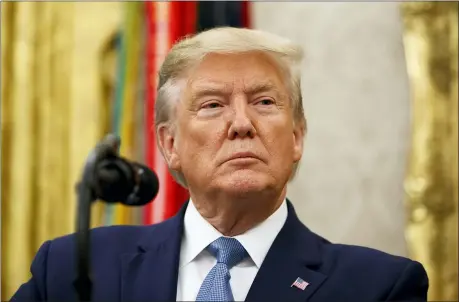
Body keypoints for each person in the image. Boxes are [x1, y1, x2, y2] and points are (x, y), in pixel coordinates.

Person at [11, 27, 428, 302]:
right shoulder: (73, 270)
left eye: (264, 102)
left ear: (297, 137)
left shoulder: (377, 287)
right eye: (213, 105)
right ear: (170, 143)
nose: (242, 124)